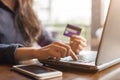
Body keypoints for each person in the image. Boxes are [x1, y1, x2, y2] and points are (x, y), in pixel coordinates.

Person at [0, 0, 87, 64]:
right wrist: (36, 52)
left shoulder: (26, 9)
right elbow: (41, 50)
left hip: (25, 72)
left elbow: (46, 41)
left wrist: (68, 47)